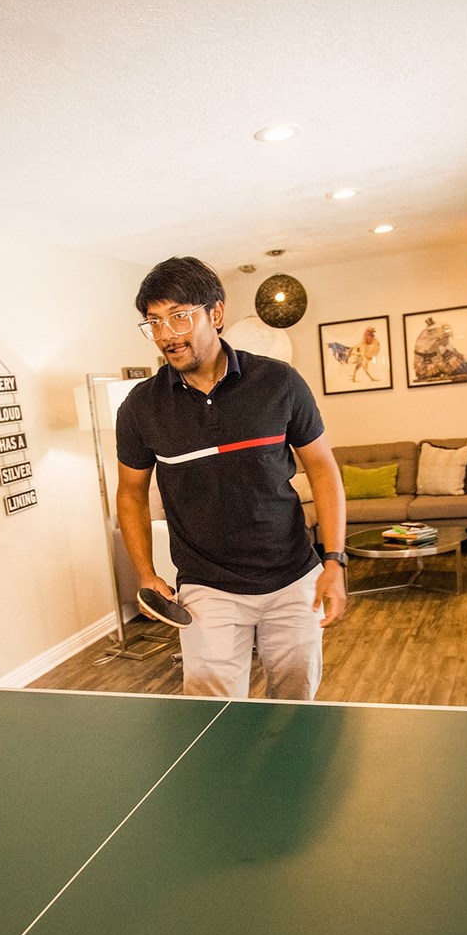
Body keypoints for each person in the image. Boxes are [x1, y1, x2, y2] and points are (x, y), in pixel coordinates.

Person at [115, 256, 347, 700]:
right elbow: (130, 493)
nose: (166, 334)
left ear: (216, 313)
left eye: (178, 317)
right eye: (154, 322)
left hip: (293, 576)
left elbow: (322, 466)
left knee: (296, 705)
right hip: (207, 587)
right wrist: (145, 573)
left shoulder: (279, 382)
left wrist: (334, 561)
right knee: (212, 714)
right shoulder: (140, 408)